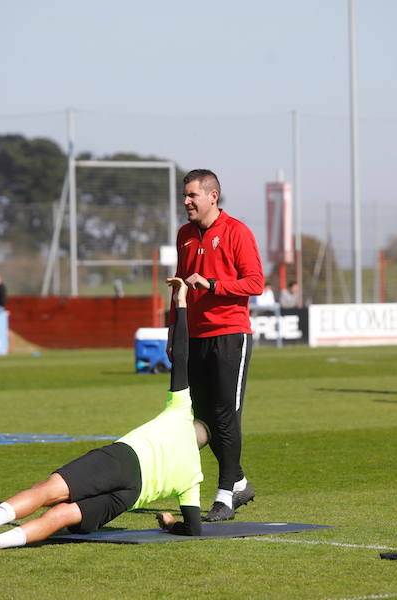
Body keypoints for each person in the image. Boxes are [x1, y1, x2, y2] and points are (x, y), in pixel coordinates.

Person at [0, 278, 206, 552]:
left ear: (195, 426)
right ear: (200, 448)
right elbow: (194, 529)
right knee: (62, 515)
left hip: (124, 459)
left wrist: (181, 301)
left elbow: (180, 356)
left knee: (48, 490)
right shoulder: (194, 474)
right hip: (130, 496)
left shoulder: (181, 412)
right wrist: (172, 524)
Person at [170, 168, 264, 522]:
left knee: (227, 416)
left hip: (230, 335)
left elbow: (255, 282)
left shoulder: (237, 231)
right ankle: (238, 481)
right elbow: (178, 287)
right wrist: (173, 334)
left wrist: (213, 284)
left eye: (192, 195)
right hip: (194, 337)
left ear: (213, 196)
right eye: (185, 195)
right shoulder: (184, 235)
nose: (186, 201)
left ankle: (225, 496)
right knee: (205, 421)